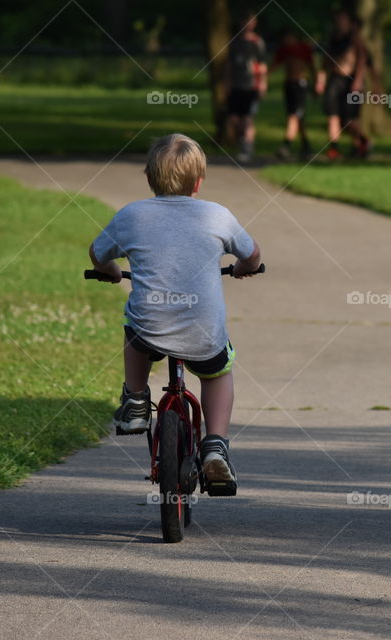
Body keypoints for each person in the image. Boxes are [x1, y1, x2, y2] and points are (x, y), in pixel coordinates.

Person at [88, 133, 262, 495]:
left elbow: (98, 253)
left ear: (150, 178)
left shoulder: (132, 215)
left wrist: (111, 272)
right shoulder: (217, 215)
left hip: (150, 328)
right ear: (198, 181)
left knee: (132, 322)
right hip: (203, 331)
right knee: (218, 373)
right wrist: (245, 266)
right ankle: (216, 446)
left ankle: (136, 401)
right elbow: (253, 253)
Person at [315, 8, 371, 160]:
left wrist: (358, 82)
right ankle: (334, 149)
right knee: (333, 116)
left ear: (350, 22)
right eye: (338, 19)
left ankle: (362, 141)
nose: (339, 22)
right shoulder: (333, 39)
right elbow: (326, 61)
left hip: (352, 83)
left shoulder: (355, 39)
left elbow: (362, 61)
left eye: (343, 19)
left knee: (350, 120)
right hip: (335, 80)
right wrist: (321, 79)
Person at [226, 11, 267, 162]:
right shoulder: (235, 42)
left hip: (251, 86)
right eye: (245, 21)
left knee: (247, 119)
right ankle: (243, 142)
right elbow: (229, 65)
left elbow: (263, 65)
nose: (248, 24)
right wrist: (227, 83)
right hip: (236, 86)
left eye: (251, 21)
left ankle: (247, 147)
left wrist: (262, 83)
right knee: (234, 119)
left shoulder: (257, 42)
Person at [271, 28, 315, 160]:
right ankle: (306, 145)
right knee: (298, 116)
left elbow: (311, 66)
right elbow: (275, 65)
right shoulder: (284, 50)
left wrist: (316, 82)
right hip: (289, 85)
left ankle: (286, 145)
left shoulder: (303, 48)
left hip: (300, 85)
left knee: (294, 115)